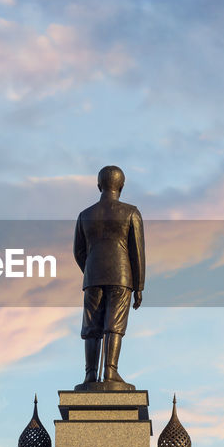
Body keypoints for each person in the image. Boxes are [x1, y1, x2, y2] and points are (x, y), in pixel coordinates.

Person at [73, 165, 144, 390]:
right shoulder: (131, 212)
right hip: (121, 276)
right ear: (121, 187)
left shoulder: (85, 215)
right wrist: (139, 285)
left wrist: (91, 268)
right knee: (114, 324)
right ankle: (110, 371)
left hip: (93, 276)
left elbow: (78, 251)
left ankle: (90, 375)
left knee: (92, 325)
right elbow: (137, 253)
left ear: (99, 186)